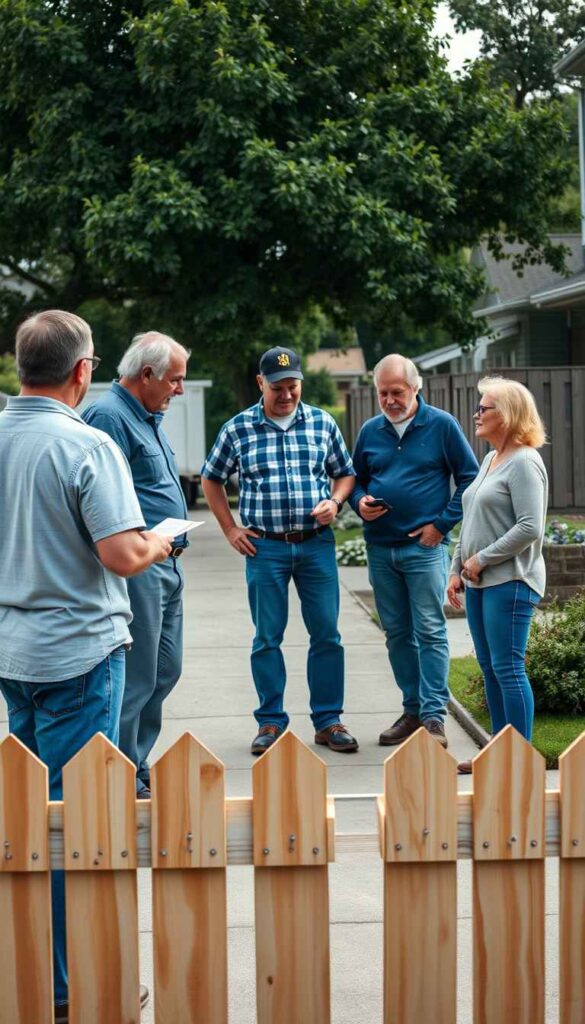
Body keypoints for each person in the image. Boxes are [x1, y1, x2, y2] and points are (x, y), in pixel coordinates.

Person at [0, 310, 171, 1022]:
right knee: (79, 825)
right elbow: (122, 555)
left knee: (30, 818)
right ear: (81, 371)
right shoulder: (86, 445)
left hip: (13, 650)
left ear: (20, 367)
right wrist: (163, 541)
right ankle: (71, 989)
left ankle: (34, 971)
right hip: (79, 652)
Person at [201, 346, 358, 755]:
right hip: (265, 548)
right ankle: (270, 722)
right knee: (267, 637)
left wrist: (336, 502)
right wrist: (230, 528)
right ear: (260, 384)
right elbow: (211, 479)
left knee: (327, 634)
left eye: (293, 386)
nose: (287, 395)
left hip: (315, 546)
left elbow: (345, 474)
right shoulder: (238, 429)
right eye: (278, 388)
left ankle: (329, 721)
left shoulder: (322, 423)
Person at [349, 354, 479, 749]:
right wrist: (359, 503)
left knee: (430, 630)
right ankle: (412, 711)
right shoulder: (371, 431)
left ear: (416, 388)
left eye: (397, 392)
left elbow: (470, 477)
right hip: (381, 548)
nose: (390, 400)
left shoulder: (441, 426)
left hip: (424, 549)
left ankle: (434, 718)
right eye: (383, 393)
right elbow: (354, 480)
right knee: (397, 634)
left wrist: (440, 526)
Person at [82, 331, 190, 797]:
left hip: (166, 561)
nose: (179, 390)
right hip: (140, 565)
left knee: (166, 669)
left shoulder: (148, 413)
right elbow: (101, 502)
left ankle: (137, 761)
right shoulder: (107, 416)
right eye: (175, 380)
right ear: (146, 375)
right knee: (140, 674)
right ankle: (124, 771)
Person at [447, 377, 548, 774]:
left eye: (484, 407)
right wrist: (457, 568)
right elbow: (472, 518)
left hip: (511, 581)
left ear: (507, 415)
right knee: (489, 667)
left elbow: (530, 527)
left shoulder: (525, 461)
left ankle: (518, 760)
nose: (477, 413)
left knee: (508, 667)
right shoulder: (491, 458)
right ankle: (497, 751)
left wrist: (482, 559)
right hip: (478, 580)